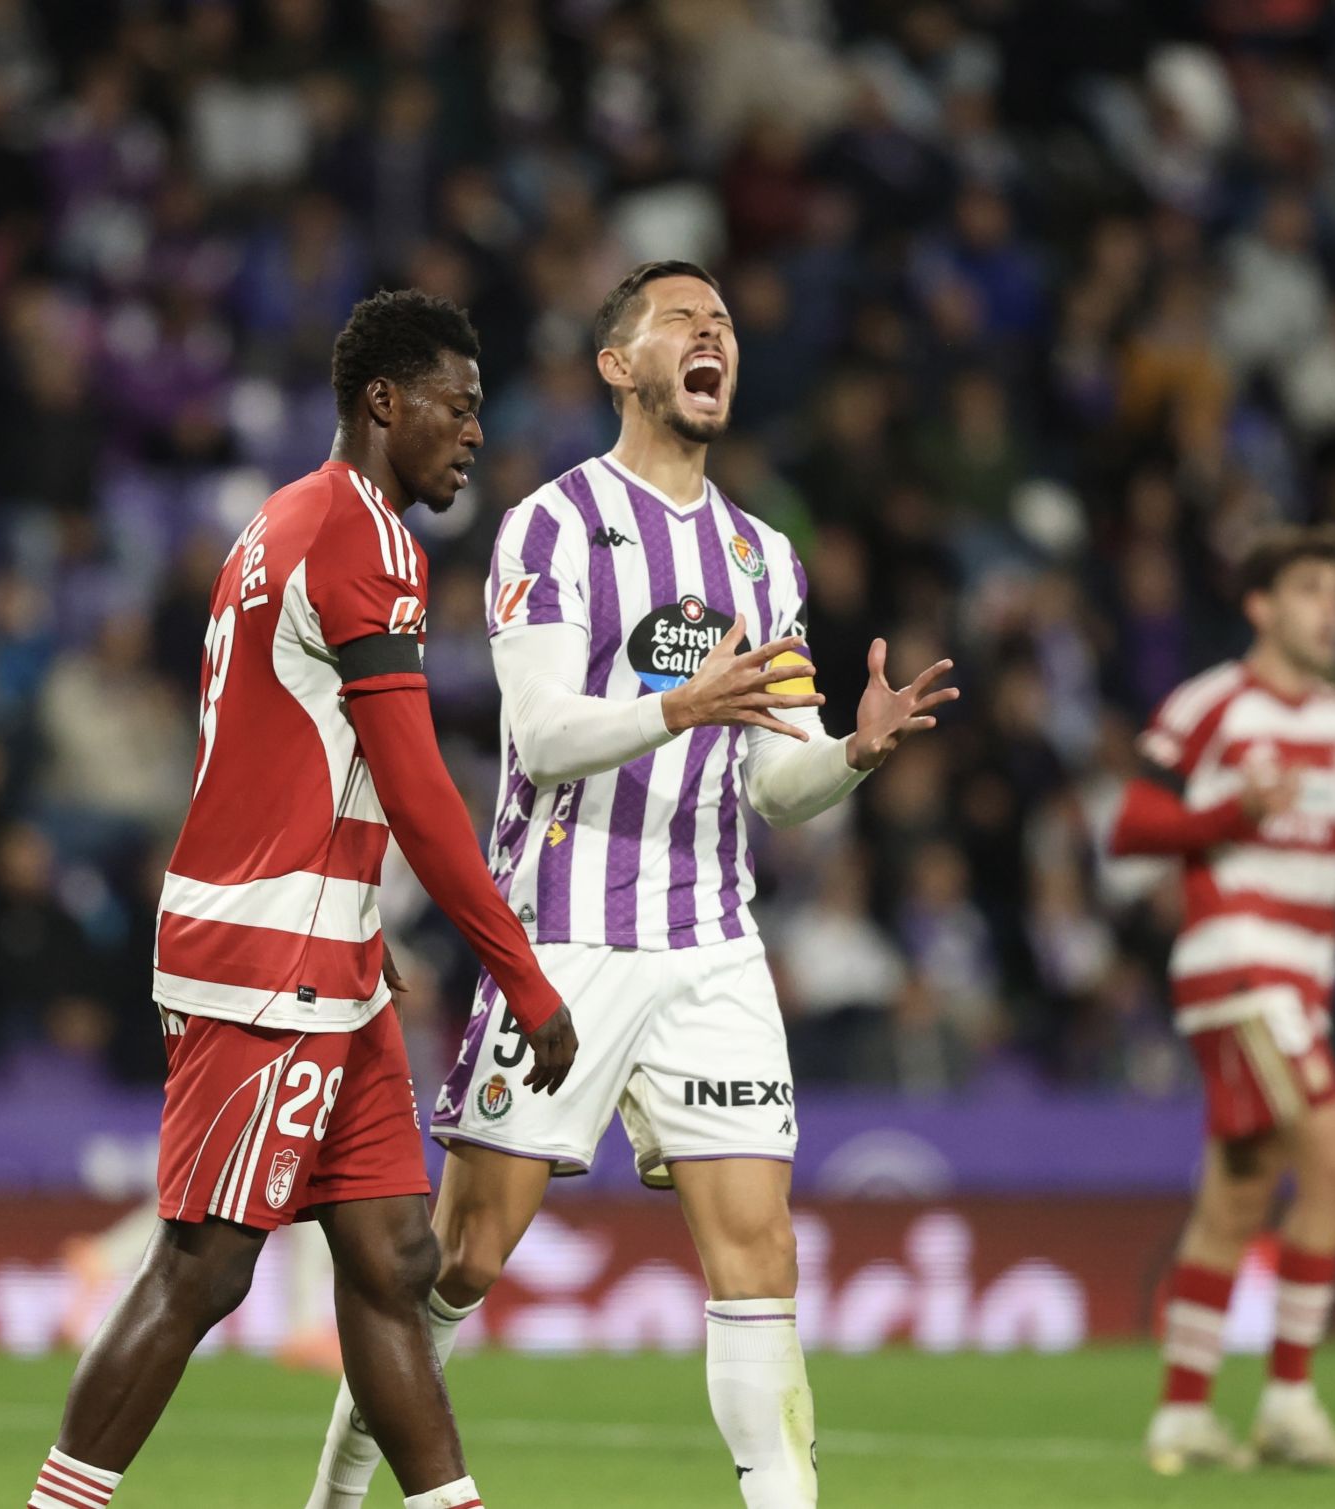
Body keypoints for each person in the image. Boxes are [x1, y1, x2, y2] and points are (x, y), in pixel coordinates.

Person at [306, 261, 957, 1509]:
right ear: (620, 365)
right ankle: (335, 1499)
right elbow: (541, 737)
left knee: (759, 1250)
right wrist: (686, 704)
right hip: (561, 937)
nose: (714, 335)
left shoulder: (765, 557)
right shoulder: (551, 524)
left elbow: (775, 786)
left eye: (726, 322)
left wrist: (851, 757)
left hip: (713, 943)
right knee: (464, 1260)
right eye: (683, 321)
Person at [22, 290, 577, 1509]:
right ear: (386, 401)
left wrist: (366, 923)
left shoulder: (281, 519)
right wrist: (520, 975)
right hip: (270, 954)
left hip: (323, 948)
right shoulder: (367, 539)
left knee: (393, 1256)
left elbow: (303, 755)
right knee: (207, 1266)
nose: (476, 433)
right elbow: (418, 786)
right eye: (459, 406)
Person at [1114, 524, 1335, 1474]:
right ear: (1262, 607)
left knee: (1239, 1191)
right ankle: (1289, 1402)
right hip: (1238, 967)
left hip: (1298, 982)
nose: (1329, 609)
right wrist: (1233, 812)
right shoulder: (1212, 704)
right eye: (1311, 589)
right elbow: (1133, 825)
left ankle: (1183, 1415)